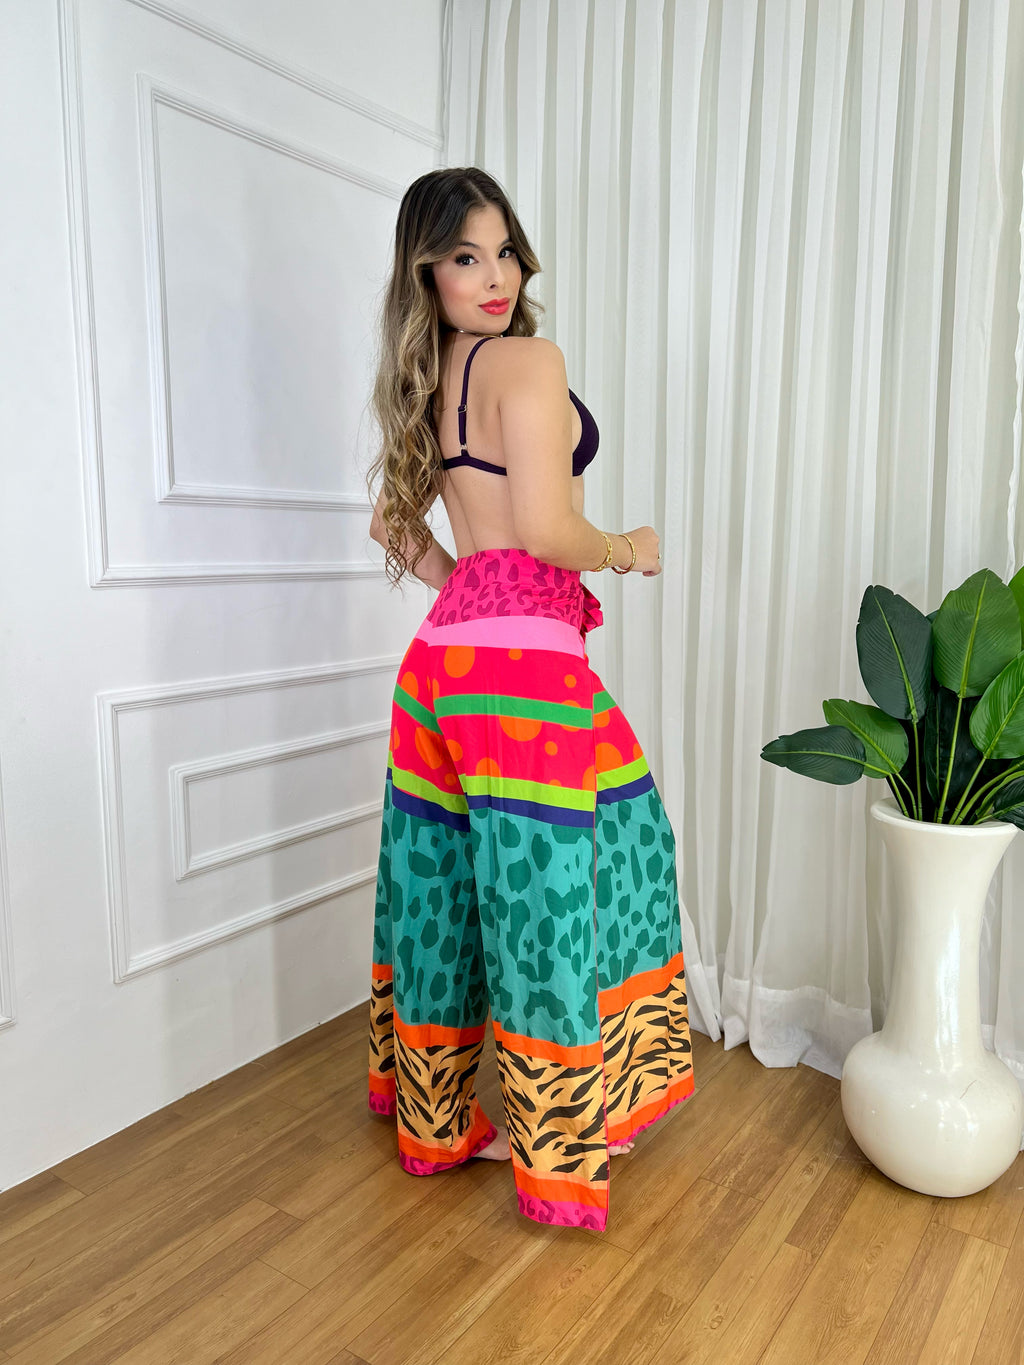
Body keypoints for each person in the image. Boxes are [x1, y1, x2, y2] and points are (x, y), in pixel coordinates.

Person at [364, 166, 694, 1232]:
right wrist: (629, 547)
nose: (495, 274)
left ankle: (436, 1120)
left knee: (443, 886)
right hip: (524, 676)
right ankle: (563, 1140)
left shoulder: (426, 379)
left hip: (441, 665)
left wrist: (470, 587)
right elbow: (550, 531)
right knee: (576, 880)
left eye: (504, 250)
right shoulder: (530, 362)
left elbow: (394, 526)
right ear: (428, 269)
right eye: (466, 256)